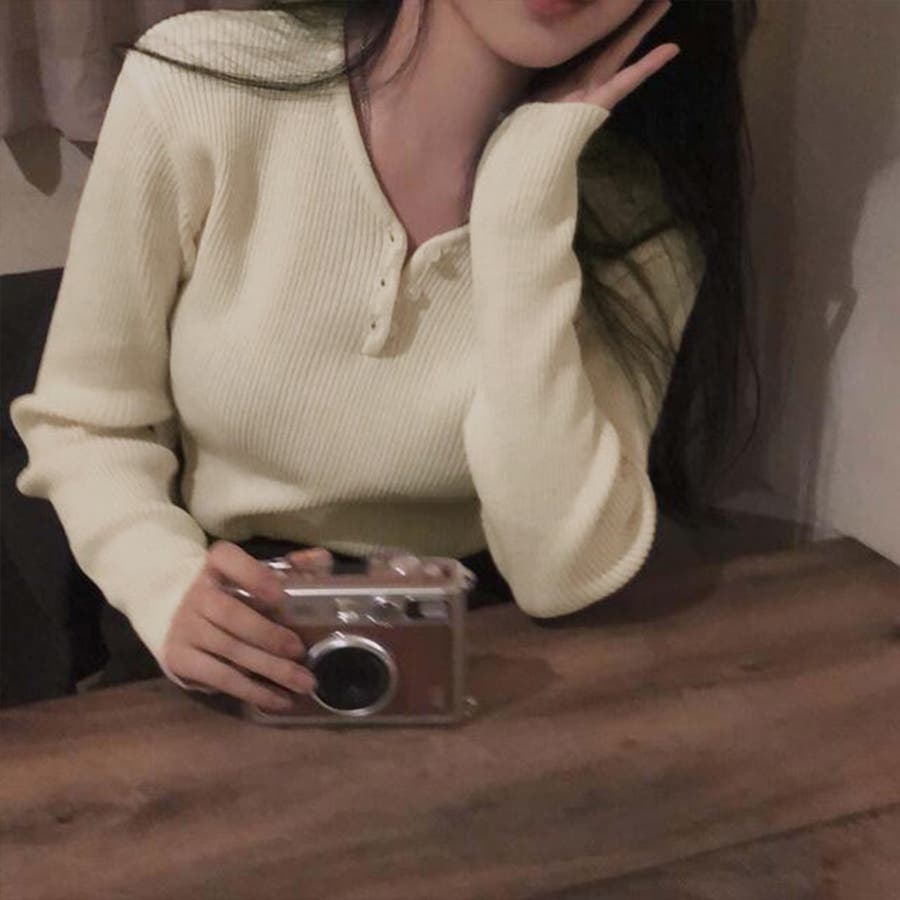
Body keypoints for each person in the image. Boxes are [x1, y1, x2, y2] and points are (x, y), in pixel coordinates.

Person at [9, 0, 758, 712]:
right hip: (222, 630)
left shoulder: (639, 210)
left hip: (489, 661)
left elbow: (561, 571)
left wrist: (521, 216)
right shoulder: (202, 87)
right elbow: (86, 423)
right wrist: (161, 581)